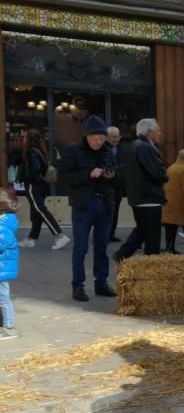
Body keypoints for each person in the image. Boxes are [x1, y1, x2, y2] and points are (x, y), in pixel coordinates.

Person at [57, 115, 117, 302]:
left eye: (102, 138)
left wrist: (112, 176)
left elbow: (118, 179)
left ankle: (101, 283)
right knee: (81, 247)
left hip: (104, 204)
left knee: (101, 247)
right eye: (95, 138)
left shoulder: (108, 152)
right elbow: (63, 178)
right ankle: (78, 286)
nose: (99, 141)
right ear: (87, 136)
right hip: (83, 205)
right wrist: (88, 175)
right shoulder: (73, 150)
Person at [114, 118, 167, 261]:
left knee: (142, 230)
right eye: (158, 131)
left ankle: (121, 255)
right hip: (149, 197)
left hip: (138, 197)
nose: (160, 134)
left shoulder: (132, 146)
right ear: (149, 132)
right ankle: (151, 263)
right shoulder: (146, 147)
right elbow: (157, 173)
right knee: (152, 236)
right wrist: (164, 175)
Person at [17, 129, 71, 250]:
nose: (23, 139)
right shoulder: (40, 151)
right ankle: (31, 239)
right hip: (42, 186)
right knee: (36, 212)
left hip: (33, 185)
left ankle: (59, 235)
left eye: (25, 137)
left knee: (40, 210)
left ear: (29, 140)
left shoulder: (31, 152)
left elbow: (35, 169)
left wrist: (27, 177)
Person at [162, 149, 184, 254]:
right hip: (181, 203)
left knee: (170, 227)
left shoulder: (171, 167)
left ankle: (169, 248)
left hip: (169, 202)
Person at [0, 187, 18, 339]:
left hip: (2, 268)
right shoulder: (4, 221)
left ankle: (9, 327)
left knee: (3, 298)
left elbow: (2, 243)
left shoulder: (5, 224)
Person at [106, 126, 125, 242]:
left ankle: (111, 233)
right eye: (113, 137)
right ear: (106, 137)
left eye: (117, 137)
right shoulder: (102, 149)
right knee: (107, 212)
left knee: (115, 211)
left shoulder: (122, 149)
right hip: (107, 186)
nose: (116, 139)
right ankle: (104, 234)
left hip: (118, 185)